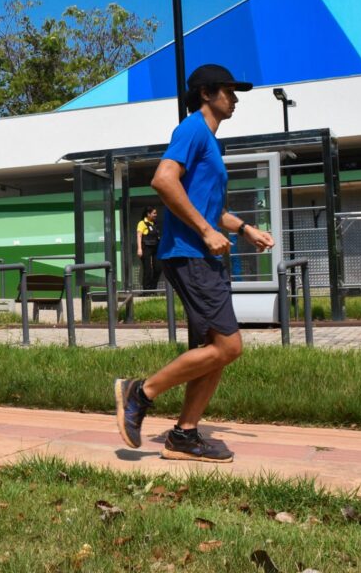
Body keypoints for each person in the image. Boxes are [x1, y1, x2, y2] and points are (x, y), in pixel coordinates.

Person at [114, 64, 275, 463]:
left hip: (203, 255)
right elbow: (163, 180)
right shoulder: (192, 130)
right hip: (190, 256)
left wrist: (244, 229)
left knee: (212, 350)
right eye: (229, 91)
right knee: (229, 346)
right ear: (207, 93)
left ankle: (184, 436)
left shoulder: (209, 141)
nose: (235, 99)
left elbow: (210, 209)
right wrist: (204, 232)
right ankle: (141, 392)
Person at [135, 207, 161, 290]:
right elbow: (139, 236)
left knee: (158, 268)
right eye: (154, 213)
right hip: (146, 248)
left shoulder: (154, 223)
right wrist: (139, 249)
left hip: (156, 248)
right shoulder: (142, 223)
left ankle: (153, 288)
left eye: (156, 213)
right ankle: (146, 290)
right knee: (147, 270)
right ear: (148, 214)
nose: (155, 215)